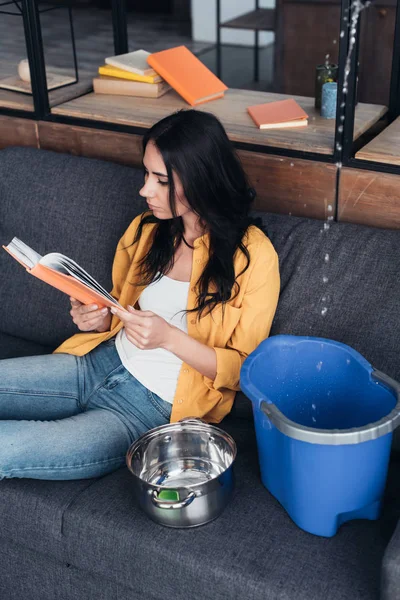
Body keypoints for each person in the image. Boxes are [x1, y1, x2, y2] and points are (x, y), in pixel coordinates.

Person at [0, 109, 280, 481]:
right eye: (146, 174)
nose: (144, 190)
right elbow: (119, 307)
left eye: (161, 180)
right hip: (92, 364)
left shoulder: (253, 256)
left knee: (7, 447)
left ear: (201, 179)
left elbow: (246, 370)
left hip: (144, 409)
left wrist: (169, 338)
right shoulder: (147, 231)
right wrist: (98, 316)